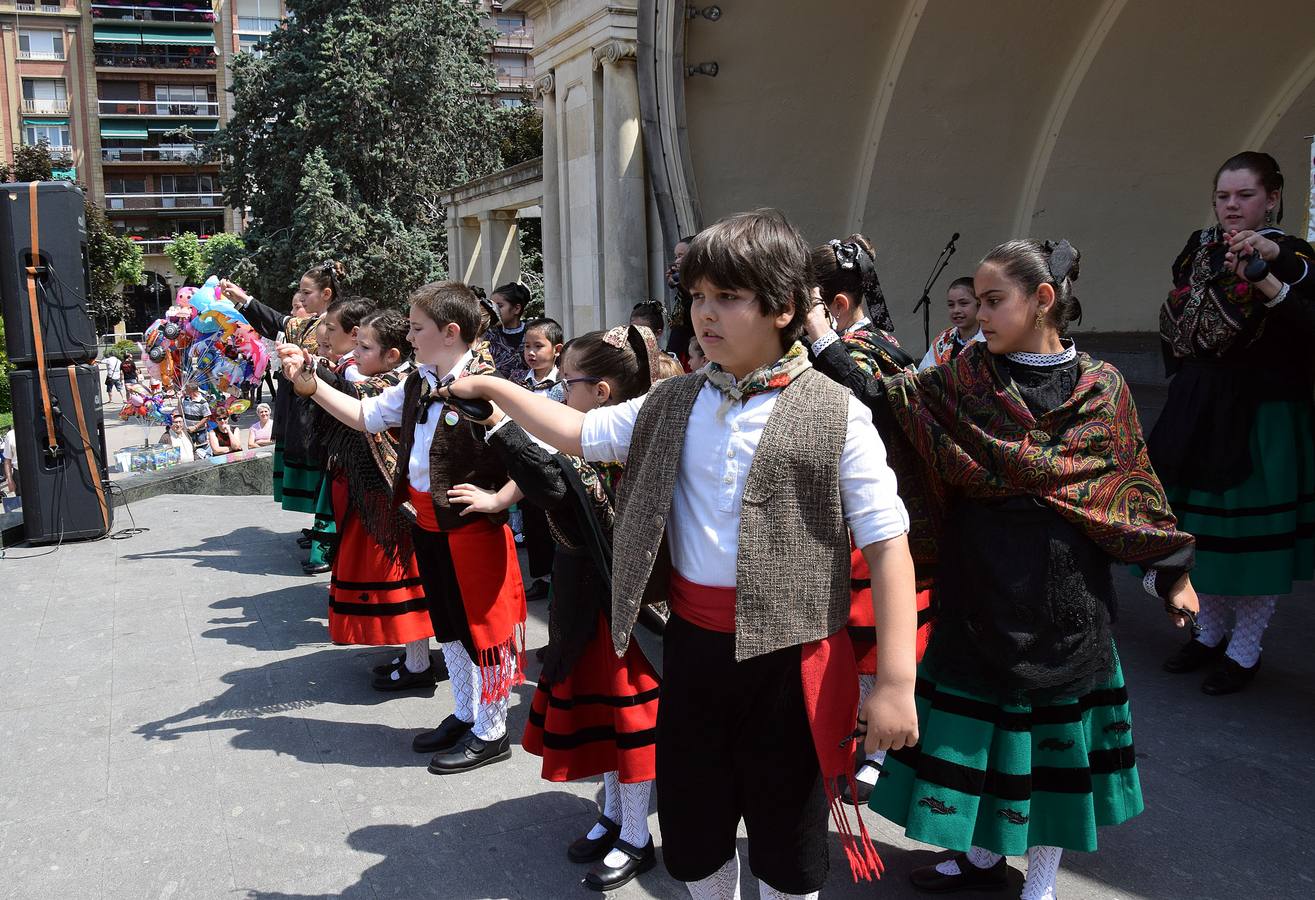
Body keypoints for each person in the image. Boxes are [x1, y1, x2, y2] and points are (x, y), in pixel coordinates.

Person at [441, 209, 919, 898]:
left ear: (783, 307)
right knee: (695, 831)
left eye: (727, 297)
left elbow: (886, 545)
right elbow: (577, 432)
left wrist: (897, 684)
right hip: (693, 652)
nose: (704, 314)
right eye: (696, 296)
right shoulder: (673, 400)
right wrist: (492, 389)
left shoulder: (836, 410)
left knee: (786, 841)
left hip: (792, 663)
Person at [807, 238, 1199, 900]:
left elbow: (1129, 488)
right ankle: (982, 857)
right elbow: (881, 401)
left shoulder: (1101, 387)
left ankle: (1039, 884)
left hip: (1065, 597)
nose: (978, 315)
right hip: (977, 588)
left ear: (1042, 299)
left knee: (1048, 757)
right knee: (988, 746)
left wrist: (1172, 572)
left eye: (994, 301)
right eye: (977, 302)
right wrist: (819, 331)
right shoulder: (964, 378)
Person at [279, 281, 527, 773]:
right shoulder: (418, 382)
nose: (410, 337)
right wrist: (312, 386)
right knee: (451, 625)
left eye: (416, 328)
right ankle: (464, 711)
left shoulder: (490, 386)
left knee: (485, 628)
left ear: (450, 332)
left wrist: (501, 496)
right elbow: (367, 416)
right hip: (427, 522)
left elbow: (537, 448)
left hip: (471, 530)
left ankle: (492, 729)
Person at [461, 325, 665, 891]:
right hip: (584, 603)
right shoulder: (584, 437)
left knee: (628, 722)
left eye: (568, 382)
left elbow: (555, 484)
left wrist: (500, 419)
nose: (558, 393)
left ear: (600, 392)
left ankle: (636, 837)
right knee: (600, 718)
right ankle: (613, 816)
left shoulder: (621, 445)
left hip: (623, 611)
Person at [1152, 151, 1315, 695]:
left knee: (1251, 538)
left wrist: (1270, 264)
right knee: (1208, 536)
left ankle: (1245, 651)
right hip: (1202, 406)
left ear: (1272, 197)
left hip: (1259, 412)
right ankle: (1209, 634)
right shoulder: (1198, 248)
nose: (1231, 206)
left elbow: (1303, 321)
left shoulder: (1293, 255)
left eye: (1245, 195)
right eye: (1223, 196)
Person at [809, 233, 927, 806]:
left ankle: (874, 747)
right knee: (846, 634)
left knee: (871, 632)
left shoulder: (874, 348)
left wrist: (820, 341)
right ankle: (853, 734)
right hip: (831, 506)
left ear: (834, 304)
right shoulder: (843, 345)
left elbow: (869, 401)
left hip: (870, 507)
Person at [305, 308, 438, 691]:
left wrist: (317, 375)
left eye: (366, 346)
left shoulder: (400, 383)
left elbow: (358, 400)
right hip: (378, 500)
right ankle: (417, 657)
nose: (357, 352)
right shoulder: (392, 379)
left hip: (397, 505)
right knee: (403, 578)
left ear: (393, 354)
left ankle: (418, 664)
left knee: (406, 580)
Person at [222, 261, 342, 574]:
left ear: (326, 294)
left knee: (329, 479)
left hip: (332, 414)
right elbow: (274, 320)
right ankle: (322, 536)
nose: (300, 298)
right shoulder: (305, 326)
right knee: (320, 478)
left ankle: (328, 544)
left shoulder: (341, 322)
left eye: (306, 292)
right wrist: (241, 299)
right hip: (309, 413)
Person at [519, 316, 566, 604]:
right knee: (533, 522)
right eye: (527, 346)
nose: (531, 352)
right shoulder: (521, 383)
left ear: (557, 349)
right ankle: (542, 577)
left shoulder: (563, 385)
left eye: (538, 346)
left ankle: (560, 577)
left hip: (555, 461)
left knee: (556, 524)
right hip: (528, 461)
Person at [918, 276, 986, 370]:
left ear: (979, 303)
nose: (956, 310)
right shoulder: (943, 339)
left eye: (963, 303)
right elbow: (924, 372)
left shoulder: (989, 339)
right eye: (951, 305)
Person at [486, 282, 533, 382]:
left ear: (516, 308)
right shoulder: (488, 335)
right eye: (492, 306)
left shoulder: (532, 333)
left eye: (499, 306)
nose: (494, 311)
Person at [665, 235, 696, 362]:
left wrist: (681, 285)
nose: (677, 261)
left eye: (681, 256)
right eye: (676, 256)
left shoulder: (703, 284)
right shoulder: (682, 285)